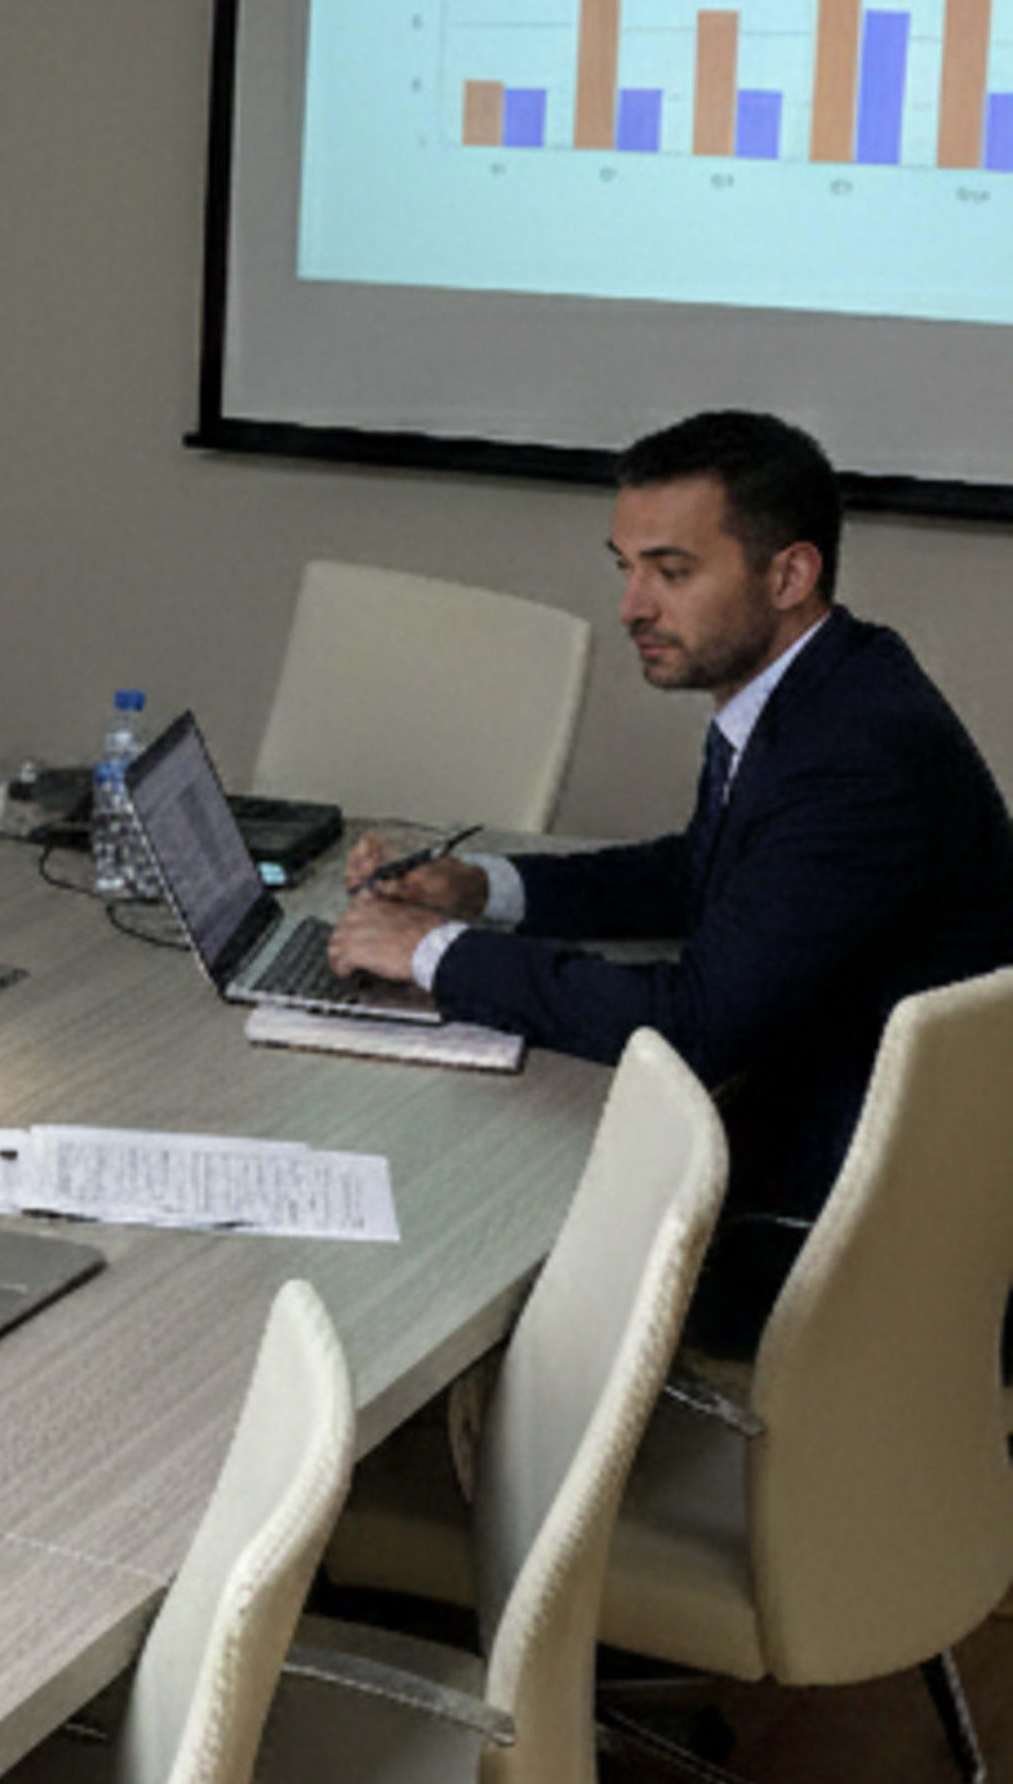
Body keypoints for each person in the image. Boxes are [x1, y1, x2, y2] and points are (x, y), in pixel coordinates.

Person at [329, 409, 1013, 1277]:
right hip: (833, 1148)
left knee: (447, 1226)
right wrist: (484, 891)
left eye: (672, 572)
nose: (632, 608)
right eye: (626, 569)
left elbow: (692, 1024)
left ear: (790, 573)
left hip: (827, 1232)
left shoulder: (852, 759)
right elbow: (704, 868)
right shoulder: (822, 685)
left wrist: (435, 955)